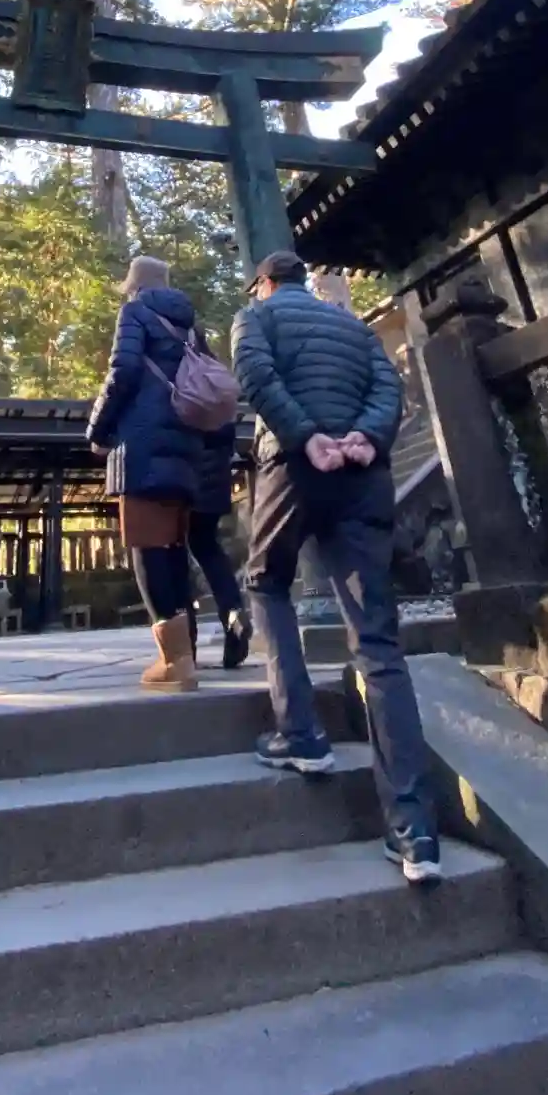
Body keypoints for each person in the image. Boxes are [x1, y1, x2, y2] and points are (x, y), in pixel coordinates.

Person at [231, 248, 440, 885]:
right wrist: (365, 438)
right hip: (362, 474)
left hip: (296, 466)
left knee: (266, 581)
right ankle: (415, 832)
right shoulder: (352, 326)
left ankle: (300, 732)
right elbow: (388, 387)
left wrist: (306, 436)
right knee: (378, 642)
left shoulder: (255, 317)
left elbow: (255, 376)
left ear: (264, 284)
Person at [88, 255, 211, 692]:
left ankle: (174, 662)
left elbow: (123, 370)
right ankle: (185, 652)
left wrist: (98, 428)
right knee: (174, 547)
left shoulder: (135, 312)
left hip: (142, 445)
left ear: (134, 284)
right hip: (185, 446)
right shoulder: (191, 326)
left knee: (146, 547)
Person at [187, 426, 251, 669]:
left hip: (187, 475)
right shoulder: (222, 399)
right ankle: (233, 610)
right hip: (216, 478)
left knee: (174, 554)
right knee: (208, 548)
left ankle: (185, 643)